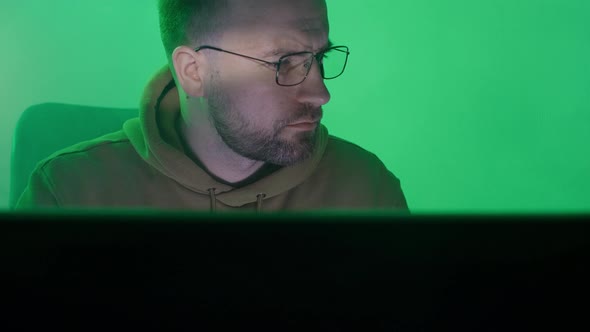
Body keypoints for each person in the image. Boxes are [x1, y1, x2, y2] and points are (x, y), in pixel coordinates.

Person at [15, 0, 409, 213]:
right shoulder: (68, 193)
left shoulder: (367, 190)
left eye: (319, 57)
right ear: (193, 72)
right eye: (283, 61)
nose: (320, 94)